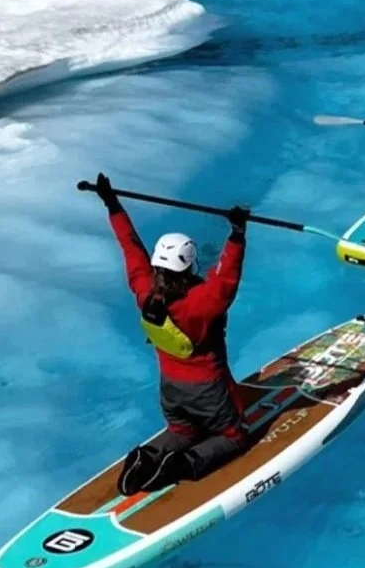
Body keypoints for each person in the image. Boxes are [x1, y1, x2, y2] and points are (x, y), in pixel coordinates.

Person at [93, 173, 250, 496]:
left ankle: (145, 457)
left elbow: (131, 246)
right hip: (207, 388)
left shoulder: (143, 290)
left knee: (182, 429)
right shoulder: (200, 302)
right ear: (189, 265)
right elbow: (227, 279)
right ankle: (182, 466)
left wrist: (112, 204)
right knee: (234, 435)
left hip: (169, 387)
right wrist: (237, 233)